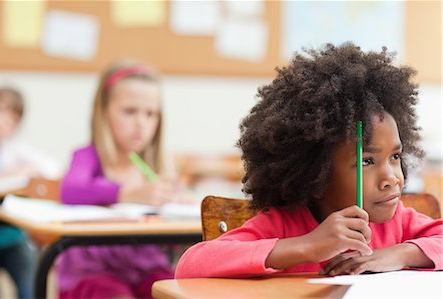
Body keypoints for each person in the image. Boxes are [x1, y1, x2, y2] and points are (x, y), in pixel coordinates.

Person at [175, 43, 443, 278]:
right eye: (366, 162)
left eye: (395, 157)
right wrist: (306, 246)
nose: (392, 178)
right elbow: (189, 266)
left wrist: (399, 254)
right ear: (316, 176)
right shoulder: (282, 224)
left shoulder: (398, 221)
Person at [58, 61, 177, 299]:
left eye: (150, 114)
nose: (141, 123)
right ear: (103, 112)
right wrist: (128, 193)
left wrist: (177, 204)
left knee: (175, 290)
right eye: (130, 111)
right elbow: (71, 189)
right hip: (91, 272)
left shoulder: (155, 166)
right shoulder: (87, 156)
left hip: (146, 268)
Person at [0, 87, 59, 298]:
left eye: (12, 120)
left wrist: (21, 171)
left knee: (30, 284)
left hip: (11, 237)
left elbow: (51, 167)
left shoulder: (12, 150)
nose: (2, 122)